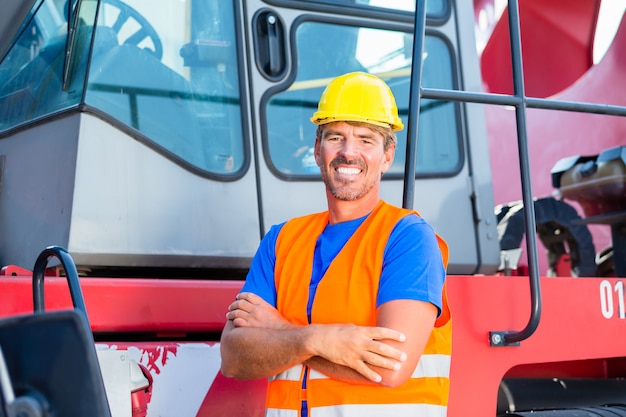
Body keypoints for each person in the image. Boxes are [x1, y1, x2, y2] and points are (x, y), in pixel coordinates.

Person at [220, 71, 451, 417]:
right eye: (336, 137)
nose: (348, 152)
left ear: (387, 156)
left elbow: (390, 366)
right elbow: (234, 358)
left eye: (366, 140)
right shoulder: (281, 241)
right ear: (317, 149)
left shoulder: (408, 238)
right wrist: (315, 340)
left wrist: (281, 331)